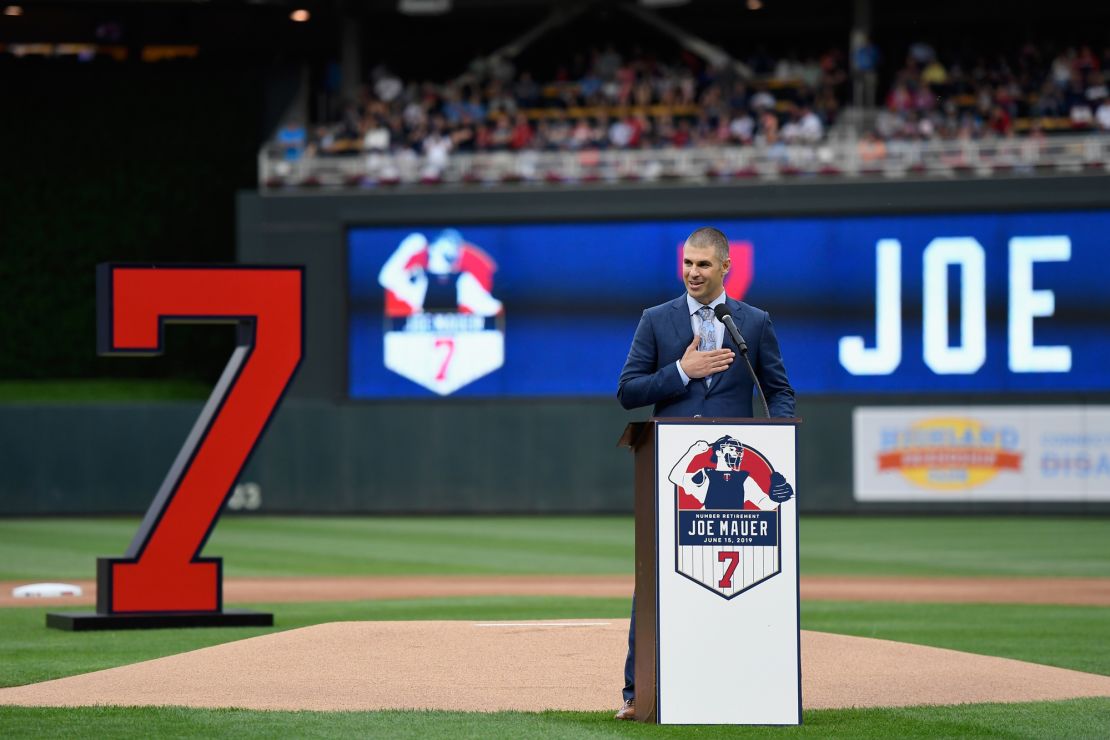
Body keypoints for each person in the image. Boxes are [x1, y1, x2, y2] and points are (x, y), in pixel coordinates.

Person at [613, 226, 795, 720]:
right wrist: (681, 372)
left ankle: (746, 685)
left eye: (704, 265)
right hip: (676, 472)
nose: (693, 273)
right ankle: (638, 693)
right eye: (688, 263)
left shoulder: (753, 323)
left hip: (735, 478)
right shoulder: (657, 320)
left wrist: (777, 435)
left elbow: (778, 389)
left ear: (725, 268)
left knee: (737, 577)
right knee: (654, 577)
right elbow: (629, 390)